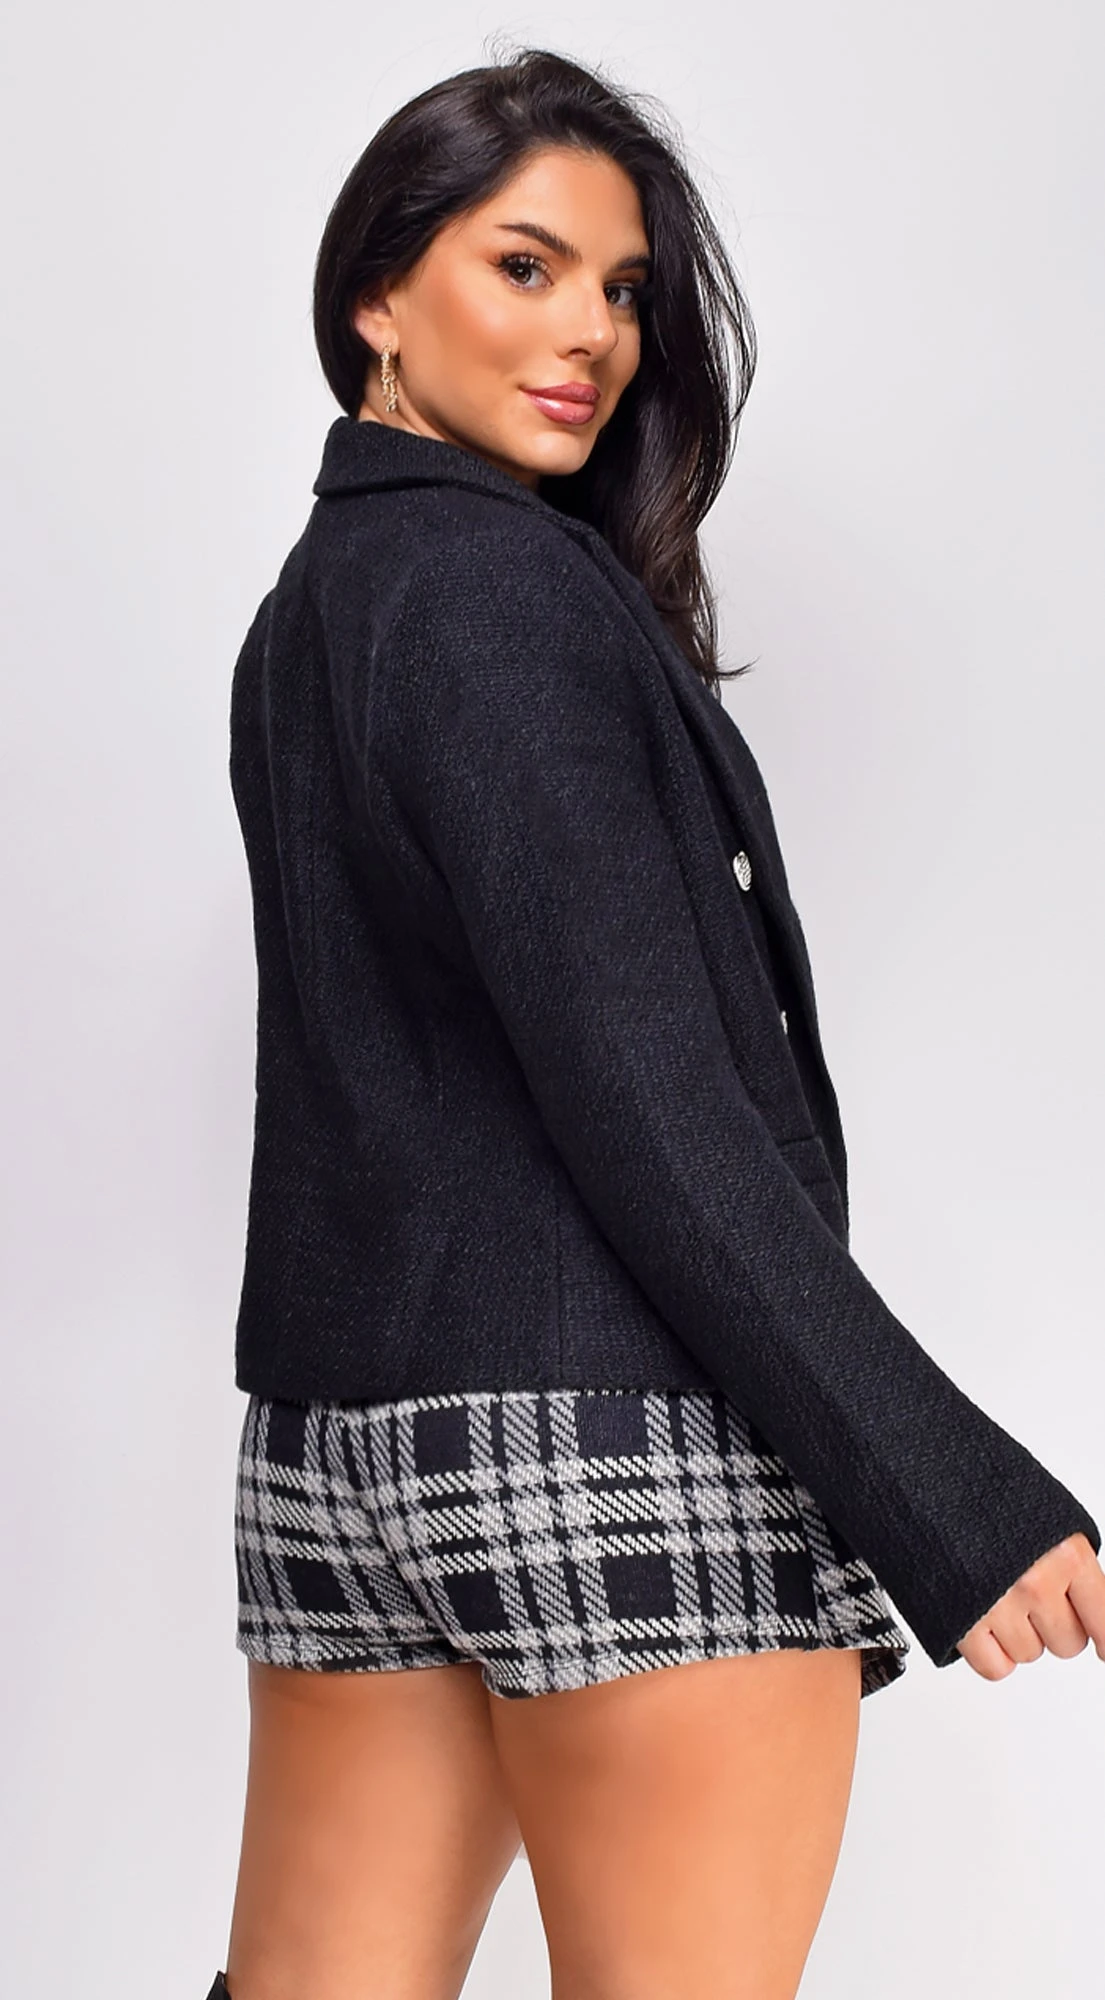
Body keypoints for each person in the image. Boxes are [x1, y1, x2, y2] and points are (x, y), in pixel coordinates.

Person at [211, 45, 1105, 2000]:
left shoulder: (311, 611)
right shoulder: (496, 595)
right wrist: (947, 1490)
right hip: (602, 1441)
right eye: (524, 266)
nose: (592, 335)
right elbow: (648, 1104)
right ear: (377, 294)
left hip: (339, 1460)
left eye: (622, 288)